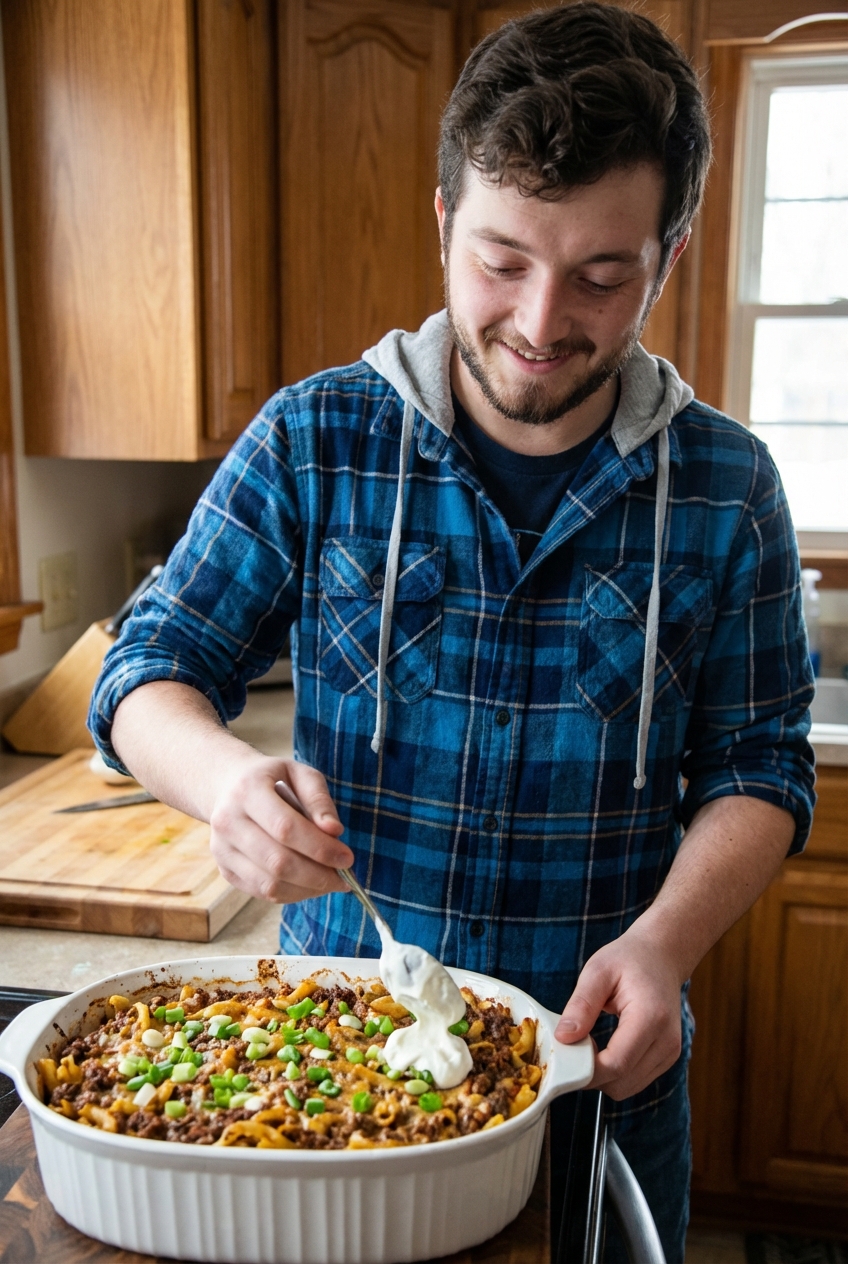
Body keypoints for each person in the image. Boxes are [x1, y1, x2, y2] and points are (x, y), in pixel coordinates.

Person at [89, 4, 815, 1259]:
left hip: (595, 1068)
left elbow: (761, 763)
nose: (539, 321)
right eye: (500, 260)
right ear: (441, 224)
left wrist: (663, 943)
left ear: (670, 251)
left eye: (601, 275)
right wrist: (226, 788)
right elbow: (144, 670)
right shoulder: (316, 439)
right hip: (329, 1061)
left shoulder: (725, 487)